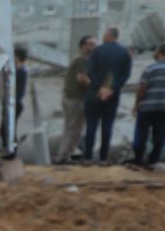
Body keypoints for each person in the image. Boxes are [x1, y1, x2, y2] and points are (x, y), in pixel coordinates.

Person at [84, 26, 133, 164]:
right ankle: (103, 158)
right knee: (107, 126)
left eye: (104, 33)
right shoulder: (124, 53)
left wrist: (100, 88)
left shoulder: (97, 51)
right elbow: (126, 75)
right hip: (113, 95)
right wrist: (111, 88)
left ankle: (88, 157)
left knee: (91, 125)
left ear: (109, 35)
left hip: (94, 93)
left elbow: (90, 71)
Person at [58, 35, 96, 163]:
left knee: (69, 128)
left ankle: (62, 155)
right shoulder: (82, 60)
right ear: (83, 46)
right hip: (76, 99)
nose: (93, 47)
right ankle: (64, 156)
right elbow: (81, 79)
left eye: (94, 44)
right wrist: (95, 88)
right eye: (90, 44)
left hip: (69, 98)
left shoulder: (79, 59)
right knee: (76, 130)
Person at [131, 44, 165, 168]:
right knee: (160, 135)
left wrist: (136, 104)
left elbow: (142, 88)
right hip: (163, 109)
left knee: (141, 133)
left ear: (160, 53)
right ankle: (153, 160)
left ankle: (139, 160)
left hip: (147, 107)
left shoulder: (150, 68)